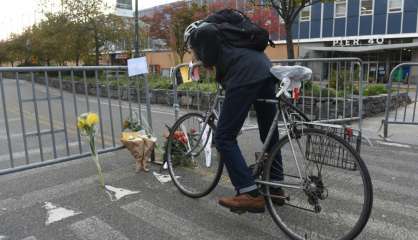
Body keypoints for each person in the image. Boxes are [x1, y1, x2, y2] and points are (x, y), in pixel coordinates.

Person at [184, 18, 284, 214]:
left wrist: (203, 62)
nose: (193, 51)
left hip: (245, 75)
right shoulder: (230, 38)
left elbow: (215, 63)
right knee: (269, 132)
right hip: (266, 71)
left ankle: (249, 193)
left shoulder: (203, 35)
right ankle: (275, 186)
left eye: (191, 48)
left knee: (223, 137)